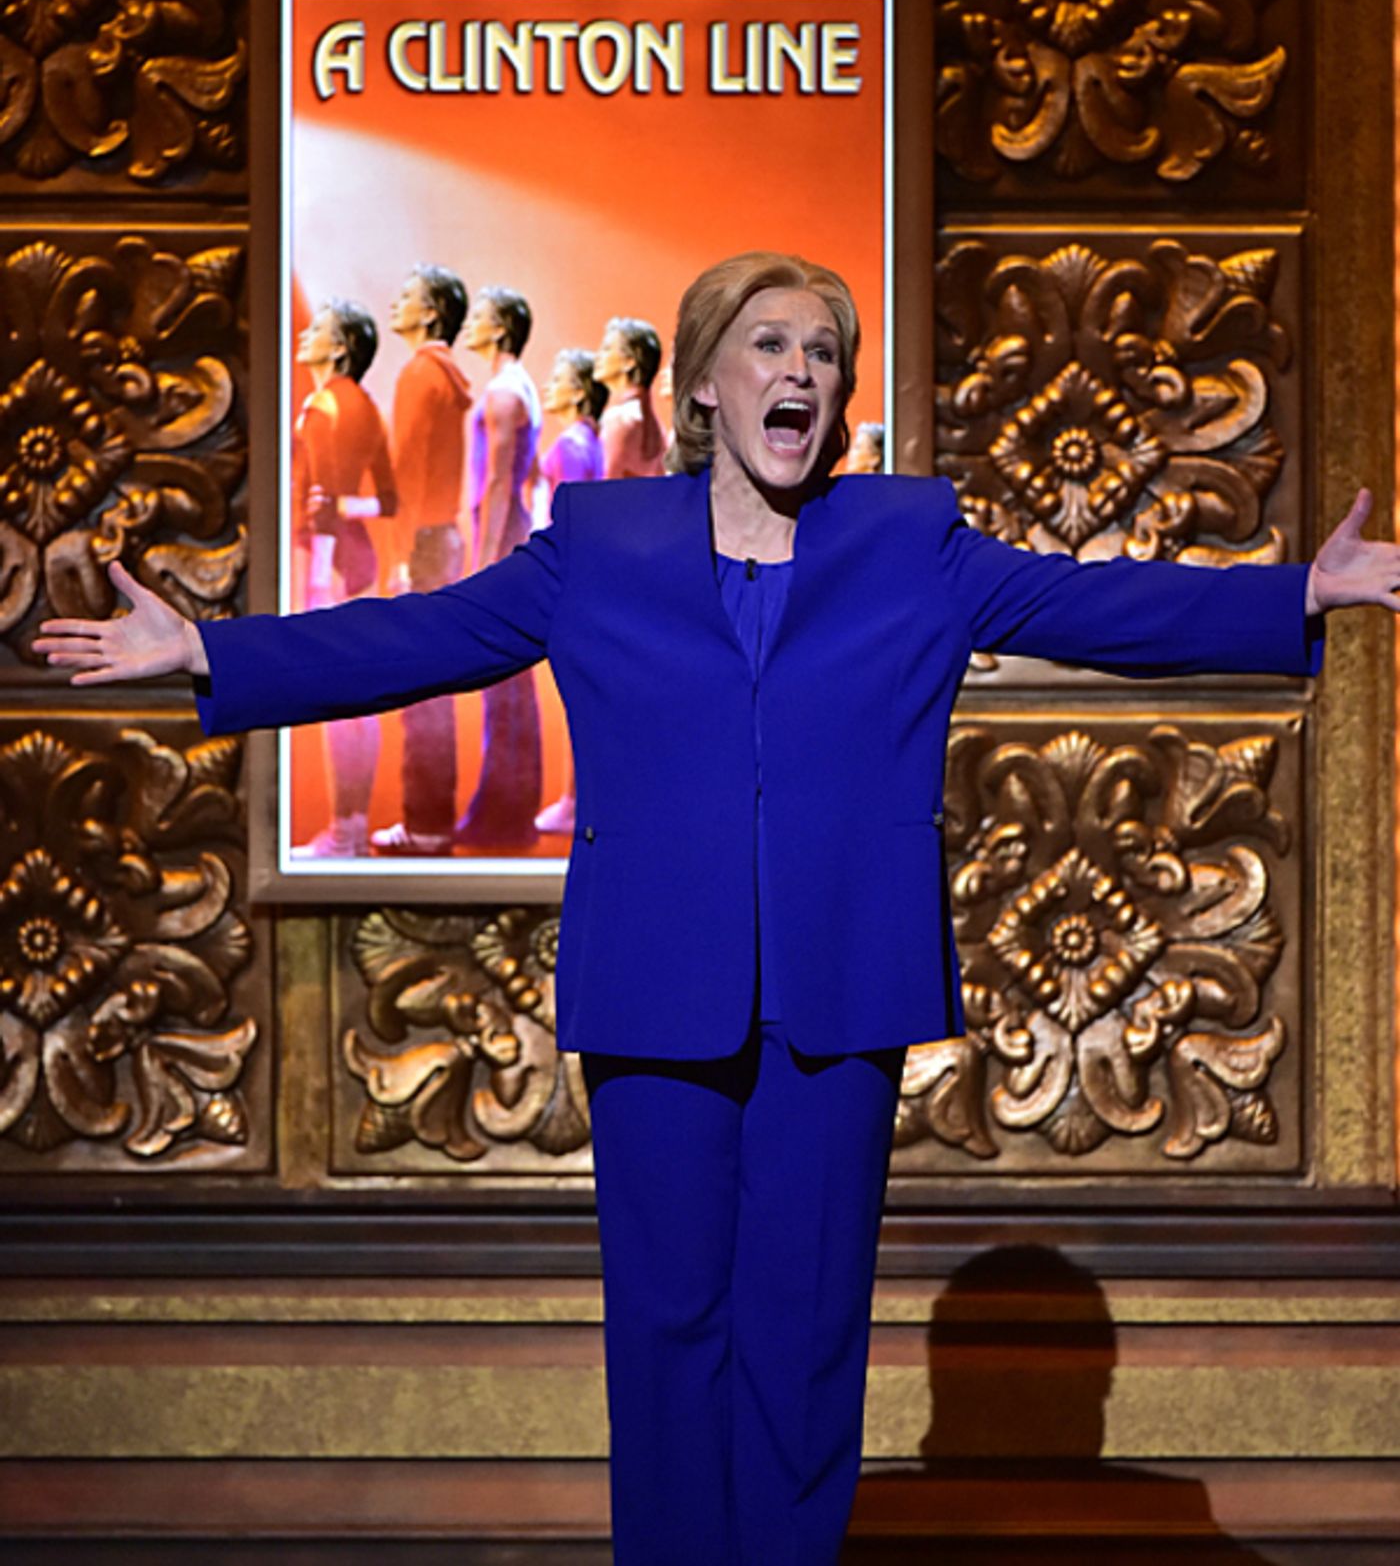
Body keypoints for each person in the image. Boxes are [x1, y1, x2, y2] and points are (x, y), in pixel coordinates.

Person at [35, 249, 1400, 1566]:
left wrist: (1304, 591)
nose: (799, 369)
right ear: (701, 388)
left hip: (838, 991)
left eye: (823, 351)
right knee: (670, 1327)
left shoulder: (908, 539)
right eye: (771, 344)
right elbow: (419, 634)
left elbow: (1090, 602)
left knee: (803, 1336)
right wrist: (205, 645)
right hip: (658, 984)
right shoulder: (601, 546)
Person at [287, 295, 396, 860]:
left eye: (320, 330)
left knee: (337, 698)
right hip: (363, 561)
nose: (306, 335)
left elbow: (320, 500)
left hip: (332, 563)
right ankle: (352, 827)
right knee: (362, 698)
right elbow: (387, 500)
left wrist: (319, 573)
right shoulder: (369, 407)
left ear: (343, 348)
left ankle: (341, 830)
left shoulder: (320, 406)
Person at [371, 263, 473, 859]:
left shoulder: (418, 374)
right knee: (439, 687)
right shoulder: (452, 377)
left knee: (420, 689)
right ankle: (435, 819)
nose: (396, 304)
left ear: (431, 312)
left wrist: (401, 555)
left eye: (407, 296)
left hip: (424, 545)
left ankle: (424, 824)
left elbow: (407, 471)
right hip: (447, 538)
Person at [457, 283, 544, 848]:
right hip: (510, 530)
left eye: (481, 317)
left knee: (503, 685)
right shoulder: (520, 389)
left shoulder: (505, 393)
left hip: (501, 536)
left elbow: (498, 481)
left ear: (501, 328)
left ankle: (502, 813)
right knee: (510, 687)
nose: (471, 324)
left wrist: (486, 561)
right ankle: (505, 808)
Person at [533, 345, 608, 838]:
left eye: (558, 377)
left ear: (578, 392)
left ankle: (573, 799)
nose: (549, 384)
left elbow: (568, 519)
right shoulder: (590, 442)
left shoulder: (570, 447)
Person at [595, 314, 667, 479]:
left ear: (629, 362)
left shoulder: (619, 420)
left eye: (607, 349)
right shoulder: (654, 425)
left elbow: (602, 486)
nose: (598, 356)